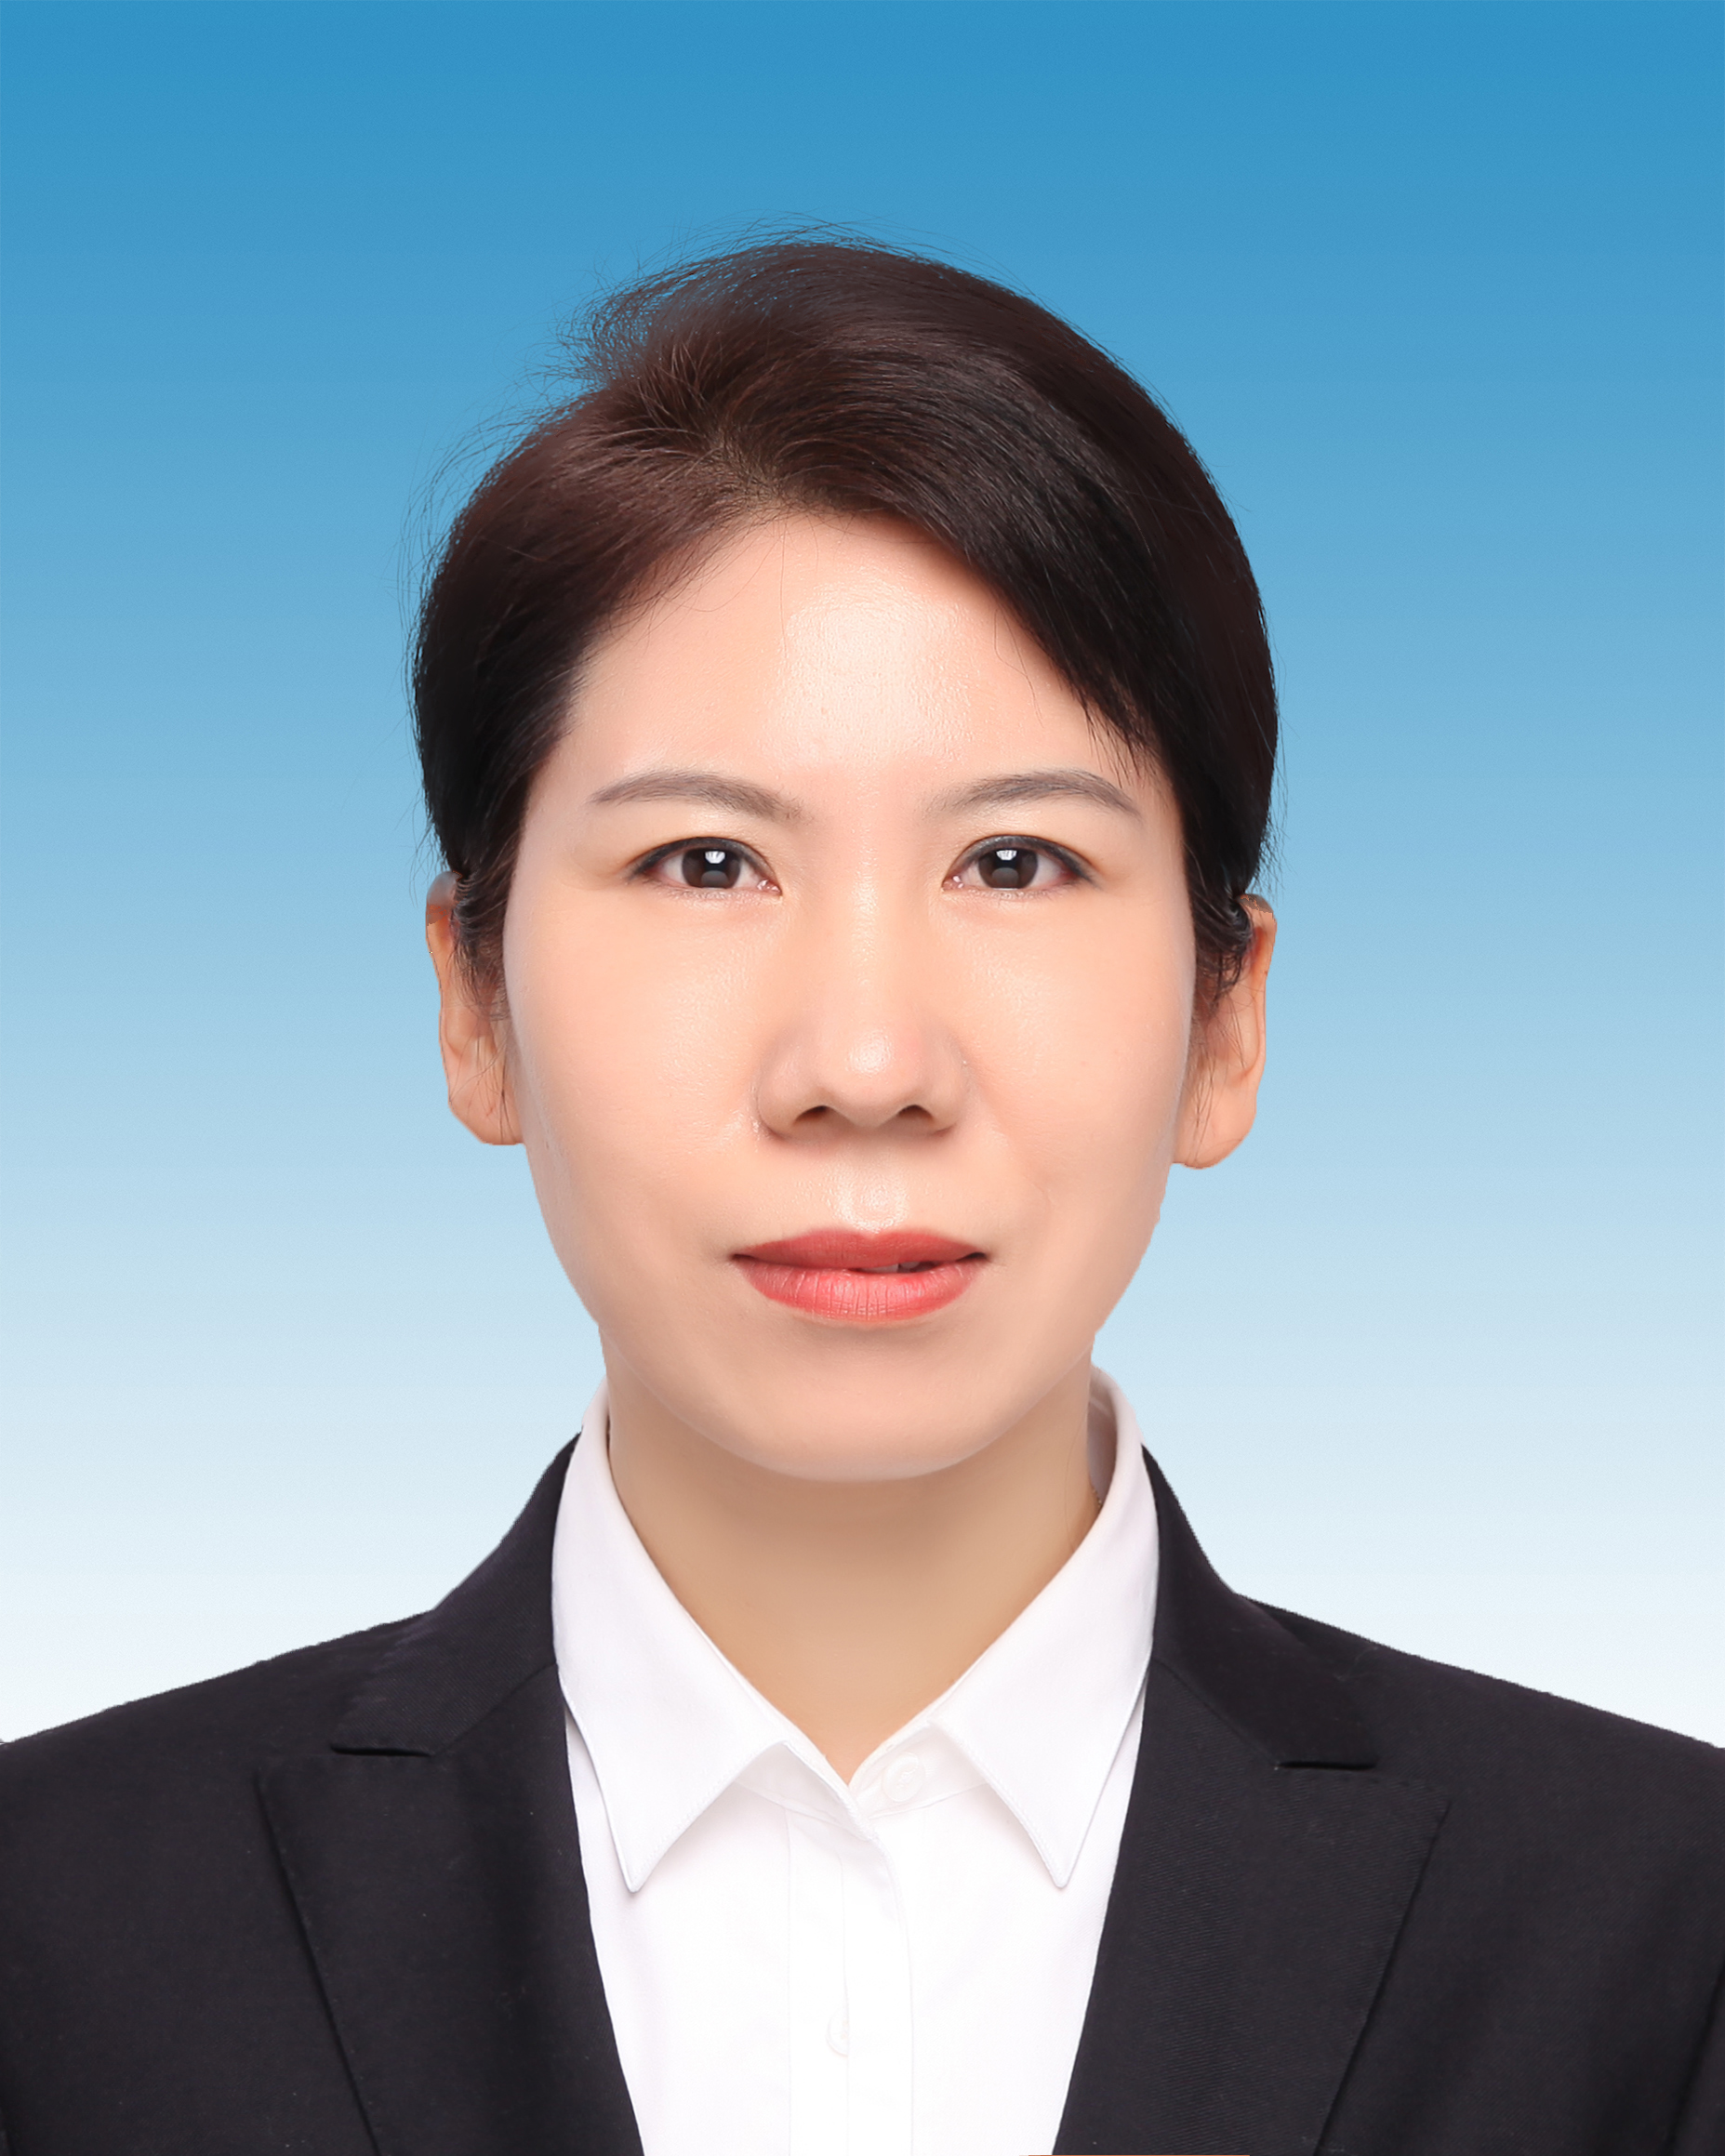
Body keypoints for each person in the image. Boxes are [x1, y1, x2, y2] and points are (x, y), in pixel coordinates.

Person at [0, 238, 1718, 2156]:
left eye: (1016, 861)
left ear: (1225, 1017)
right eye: (705, 861)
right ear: (474, 1005)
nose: (867, 1061)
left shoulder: (1660, 1938)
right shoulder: (54, 1931)